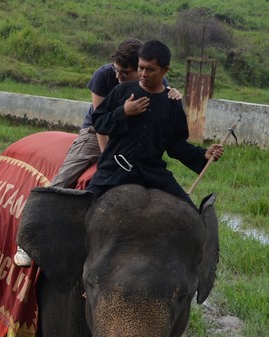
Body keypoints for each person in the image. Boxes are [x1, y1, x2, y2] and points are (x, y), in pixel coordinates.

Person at [13, 38, 180, 267]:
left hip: (131, 138)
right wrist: (107, 158)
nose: (118, 75)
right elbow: (101, 121)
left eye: (125, 72)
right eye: (116, 70)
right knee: (63, 179)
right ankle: (28, 241)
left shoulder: (153, 80)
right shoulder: (103, 76)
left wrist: (174, 96)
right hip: (96, 134)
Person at [86, 39, 223, 205]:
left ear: (164, 70)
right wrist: (123, 112)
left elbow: (176, 145)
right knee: (84, 208)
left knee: (190, 211)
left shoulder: (172, 103)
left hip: (151, 172)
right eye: (141, 68)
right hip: (114, 169)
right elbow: (99, 122)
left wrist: (203, 154)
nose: (143, 74)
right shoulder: (122, 91)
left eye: (150, 69)